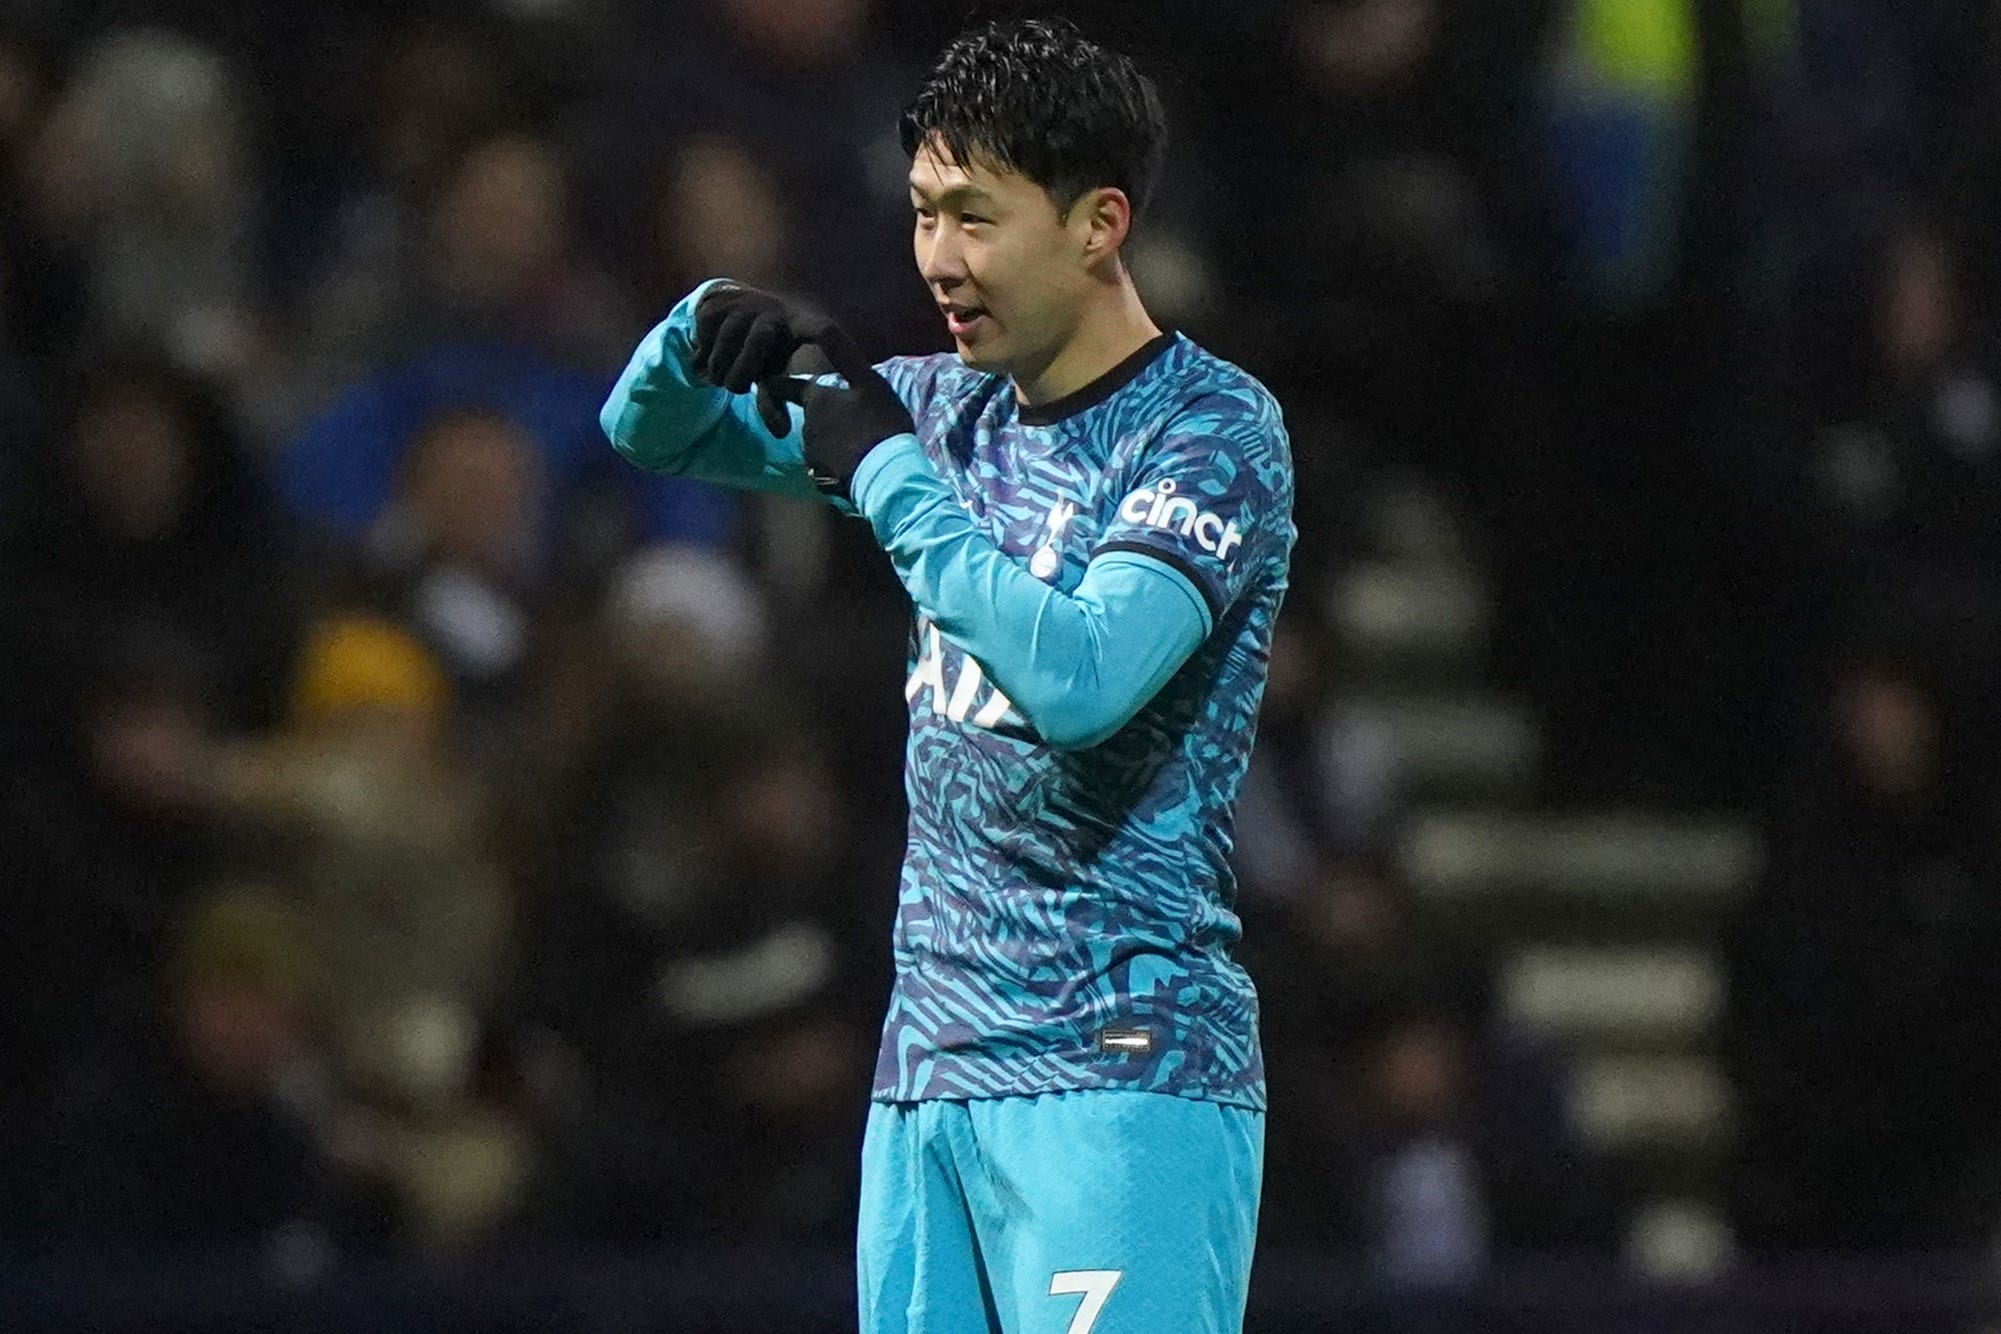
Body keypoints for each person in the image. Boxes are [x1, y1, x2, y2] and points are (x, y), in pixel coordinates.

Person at [600, 19, 1295, 1333]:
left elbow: (1079, 679)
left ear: (1097, 224)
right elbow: (649, 431)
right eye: (921, 214)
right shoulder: (939, 407)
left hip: (1119, 1082)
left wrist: (885, 473)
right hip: (927, 1081)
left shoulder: (1207, 434)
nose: (935, 261)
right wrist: (699, 325)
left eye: (973, 219)